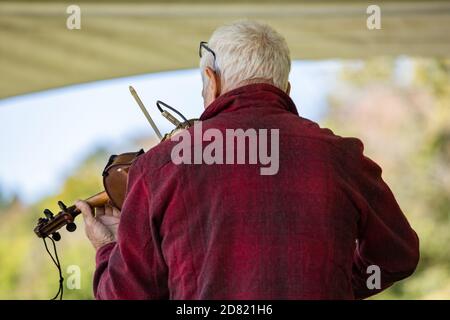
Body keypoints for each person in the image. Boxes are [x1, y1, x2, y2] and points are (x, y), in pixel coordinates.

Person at [76, 20, 419, 300]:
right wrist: (337, 285)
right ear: (285, 88)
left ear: (212, 80)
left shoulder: (158, 168)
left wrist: (109, 248)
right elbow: (397, 256)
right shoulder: (343, 157)